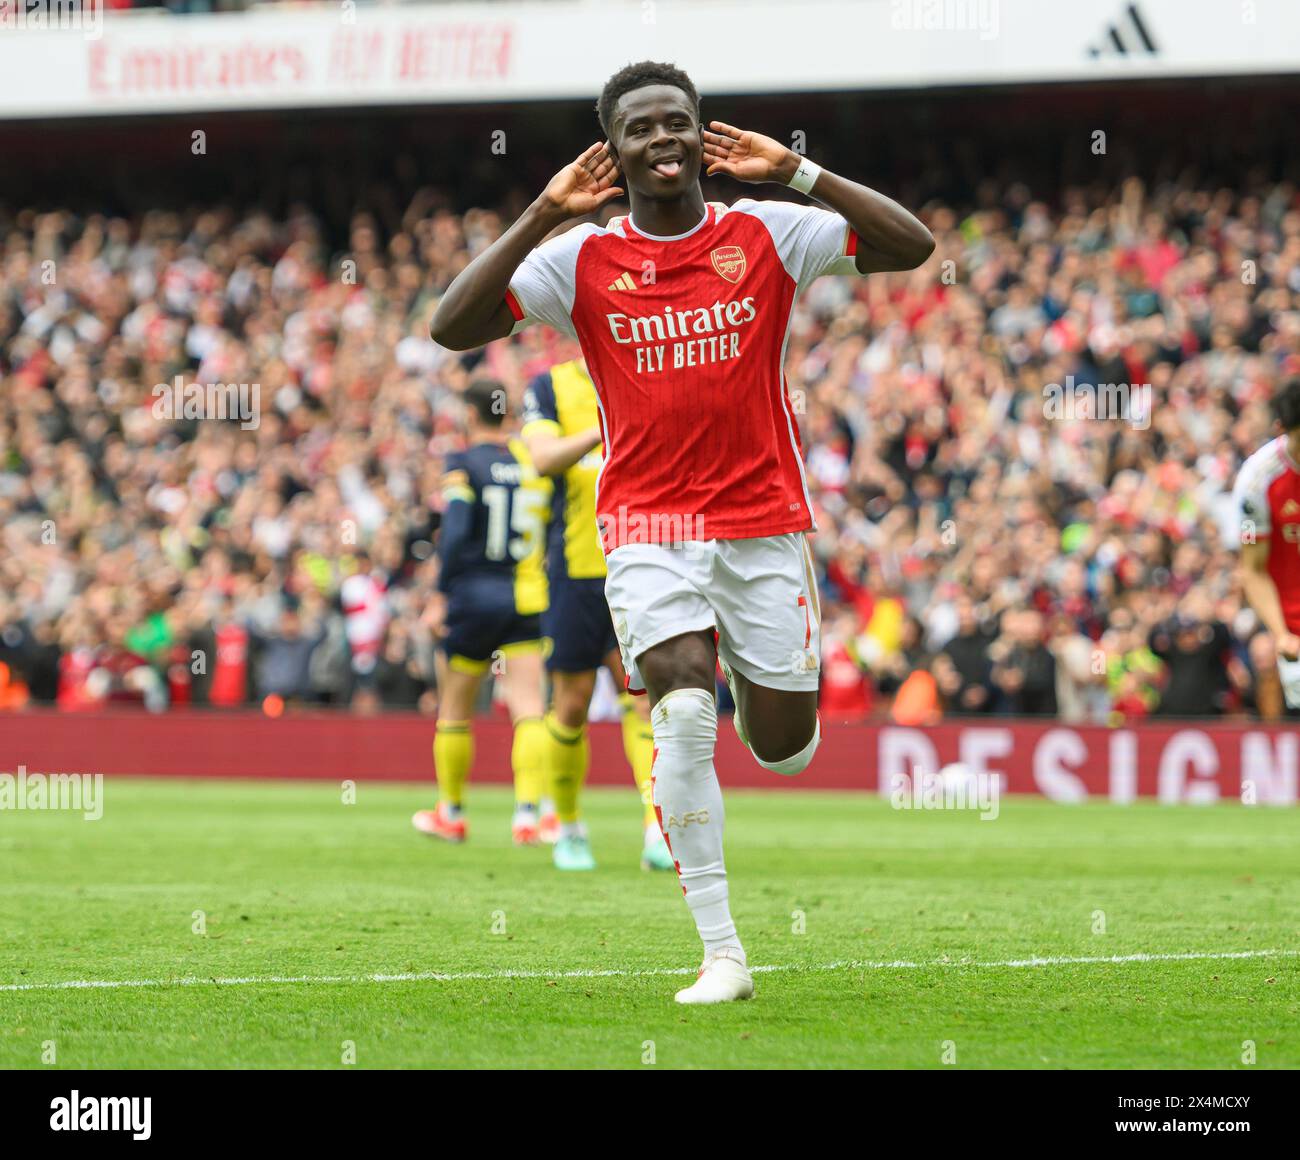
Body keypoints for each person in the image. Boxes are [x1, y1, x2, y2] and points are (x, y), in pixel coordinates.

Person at [430, 61, 933, 1003]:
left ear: (703, 136)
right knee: (683, 711)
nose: (660, 139)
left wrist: (800, 173)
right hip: (644, 525)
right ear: (612, 152)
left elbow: (910, 245)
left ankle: (754, 671)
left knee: (782, 744)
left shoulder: (766, 230)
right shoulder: (577, 257)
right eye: (638, 129)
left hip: (762, 523)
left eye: (676, 123)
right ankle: (723, 953)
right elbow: (451, 328)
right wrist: (544, 212)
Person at [521, 356, 673, 872]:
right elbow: (543, 459)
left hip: (644, 562)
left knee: (647, 702)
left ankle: (657, 827)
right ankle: (568, 827)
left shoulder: (650, 370)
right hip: (576, 572)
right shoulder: (550, 386)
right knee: (571, 704)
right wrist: (605, 428)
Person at [412, 379, 553, 845]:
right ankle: (528, 815)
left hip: (473, 597)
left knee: (454, 708)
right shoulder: (533, 464)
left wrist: (439, 594)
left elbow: (452, 536)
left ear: (471, 415)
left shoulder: (463, 464)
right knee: (529, 707)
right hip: (527, 597)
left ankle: (451, 813)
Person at [1232, 377, 1300, 711]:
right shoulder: (1257, 480)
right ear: (1282, 428)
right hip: (1293, 637)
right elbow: (1253, 569)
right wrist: (1280, 634)